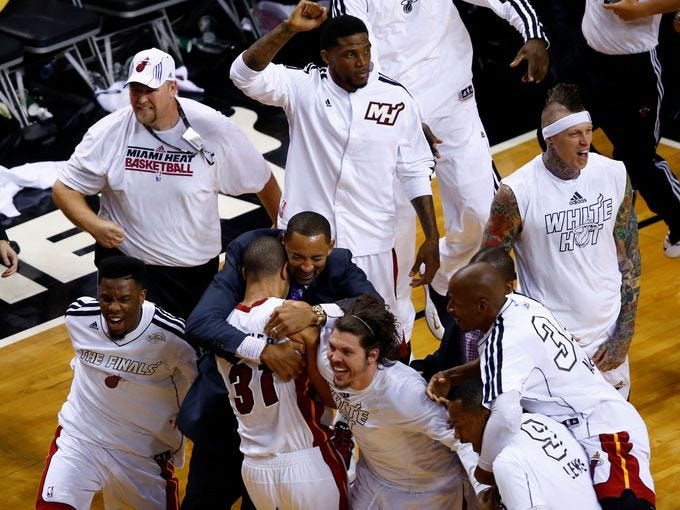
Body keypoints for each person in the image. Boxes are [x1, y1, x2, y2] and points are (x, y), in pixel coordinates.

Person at [330, 0, 549, 339]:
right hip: (390, 121)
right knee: (394, 245)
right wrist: (405, 115)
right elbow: (354, 56)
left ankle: (444, 280)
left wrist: (534, 34)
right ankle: (395, 338)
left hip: (454, 106)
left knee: (483, 213)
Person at [229, 6, 440, 350]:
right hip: (304, 246)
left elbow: (415, 168)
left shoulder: (397, 98)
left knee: (382, 325)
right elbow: (243, 74)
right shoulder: (302, 87)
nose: (362, 61)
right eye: (350, 54)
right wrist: (288, 28)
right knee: (304, 330)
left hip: (371, 239)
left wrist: (431, 237)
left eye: (366, 50)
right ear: (327, 56)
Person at [52, 47, 281, 319]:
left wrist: (281, 232)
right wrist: (94, 225)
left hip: (190, 267)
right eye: (135, 89)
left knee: (189, 348)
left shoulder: (214, 130)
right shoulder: (109, 131)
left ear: (173, 88)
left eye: (150, 90)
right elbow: (64, 188)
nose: (141, 99)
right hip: (126, 260)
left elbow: (262, 180)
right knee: (125, 346)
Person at [180, 211, 378, 510]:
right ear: (283, 246)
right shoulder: (252, 250)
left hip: (278, 441)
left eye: (317, 258)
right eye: (298, 257)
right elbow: (200, 323)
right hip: (231, 425)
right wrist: (264, 352)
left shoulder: (337, 263)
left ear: (330, 247)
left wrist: (317, 312)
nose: (308, 267)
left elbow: (374, 304)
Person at [433, 262, 655, 509]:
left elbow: (506, 415)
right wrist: (454, 376)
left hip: (606, 433)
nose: (450, 309)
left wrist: (485, 470)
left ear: (482, 306)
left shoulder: (506, 340)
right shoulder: (521, 306)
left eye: (454, 302)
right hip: (580, 430)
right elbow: (506, 357)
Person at [483, 83, 640, 398]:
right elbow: (490, 267)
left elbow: (630, 257)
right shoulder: (516, 192)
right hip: (551, 341)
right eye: (574, 135)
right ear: (550, 138)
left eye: (589, 130)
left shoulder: (614, 174)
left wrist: (624, 335)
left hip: (608, 334)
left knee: (615, 436)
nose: (586, 142)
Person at [36, 256, 197, 509]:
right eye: (106, 298)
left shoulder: (173, 338)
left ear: (142, 296)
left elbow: (204, 381)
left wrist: (191, 414)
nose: (113, 308)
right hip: (81, 437)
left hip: (142, 451)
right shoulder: (78, 317)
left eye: (124, 299)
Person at [311, 294, 484, 509]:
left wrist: (484, 490)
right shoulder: (328, 363)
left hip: (427, 491)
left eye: (347, 352)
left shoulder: (405, 393)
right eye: (333, 347)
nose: (335, 358)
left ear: (372, 356)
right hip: (372, 476)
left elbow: (463, 441)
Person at [216, 235, 348, 509]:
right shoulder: (294, 316)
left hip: (255, 469)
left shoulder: (224, 329)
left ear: (244, 273)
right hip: (307, 461)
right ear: (285, 270)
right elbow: (333, 399)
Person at [579, 0, 680, 257]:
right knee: (554, 133)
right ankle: (611, 195)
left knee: (638, 161)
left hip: (637, 66)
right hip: (590, 59)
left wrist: (643, 9)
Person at [447, 378, 601, 510]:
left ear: (485, 417)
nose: (457, 435)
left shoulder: (505, 462)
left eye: (459, 426)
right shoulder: (541, 420)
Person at [411, 246, 515, 381]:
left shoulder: (518, 330)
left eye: (480, 284)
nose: (449, 309)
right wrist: (416, 370)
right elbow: (446, 356)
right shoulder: (461, 300)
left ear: (506, 289)